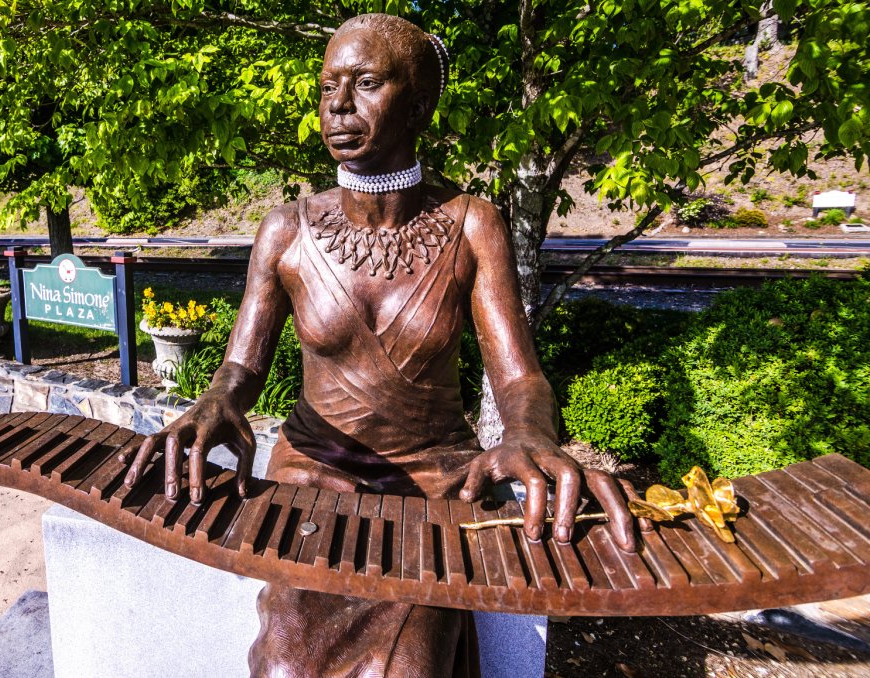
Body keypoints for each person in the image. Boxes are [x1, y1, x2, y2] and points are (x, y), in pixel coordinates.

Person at [122, 13, 636, 677]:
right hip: (314, 472)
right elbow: (243, 363)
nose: (337, 104)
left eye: (365, 83)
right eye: (328, 85)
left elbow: (517, 378)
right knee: (283, 664)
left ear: (418, 106)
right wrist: (218, 399)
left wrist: (532, 436)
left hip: (431, 478)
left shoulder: (472, 225)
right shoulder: (286, 229)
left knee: (406, 668)